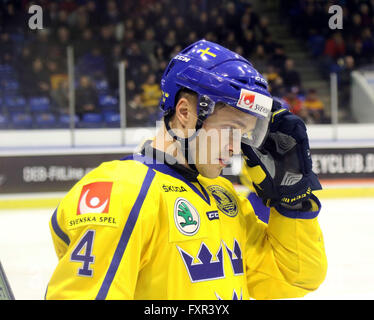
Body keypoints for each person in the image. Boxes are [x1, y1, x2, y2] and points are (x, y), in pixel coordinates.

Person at [45, 40, 327, 300]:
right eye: (231, 129)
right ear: (185, 112)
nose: (235, 148)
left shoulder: (221, 195)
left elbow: (295, 277)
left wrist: (294, 203)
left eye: (245, 135)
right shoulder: (123, 192)